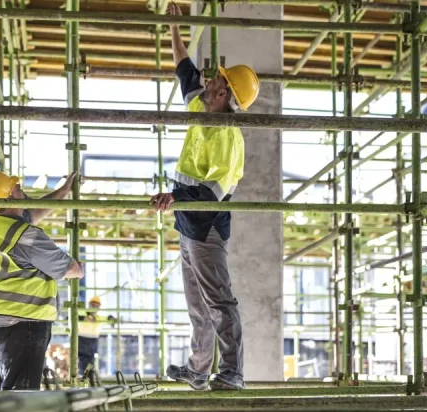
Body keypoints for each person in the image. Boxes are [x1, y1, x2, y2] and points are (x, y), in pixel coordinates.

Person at [149, 2, 260, 391]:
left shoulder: (228, 137)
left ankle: (232, 372)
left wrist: (174, 198)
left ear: (225, 94)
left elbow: (212, 192)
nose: (211, 78)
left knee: (219, 302)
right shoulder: (200, 104)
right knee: (198, 304)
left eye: (219, 79)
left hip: (205, 227)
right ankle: (199, 370)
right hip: (187, 225)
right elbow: (184, 69)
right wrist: (176, 30)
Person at [0, 171, 84, 390]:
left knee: (10, 389)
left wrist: (63, 191)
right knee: (22, 396)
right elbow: (71, 269)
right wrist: (79, 266)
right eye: (15, 186)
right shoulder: (26, 237)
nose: (19, 186)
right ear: (8, 198)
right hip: (21, 322)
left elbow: (33, 213)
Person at [77, 296, 116, 376]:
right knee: (82, 360)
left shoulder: (98, 318)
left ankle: (88, 375)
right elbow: (73, 317)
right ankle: (83, 375)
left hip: (93, 341)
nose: (94, 307)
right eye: (93, 305)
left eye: (97, 305)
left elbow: (108, 318)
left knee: (91, 360)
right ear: (89, 305)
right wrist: (85, 318)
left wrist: (111, 319)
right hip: (81, 340)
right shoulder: (82, 313)